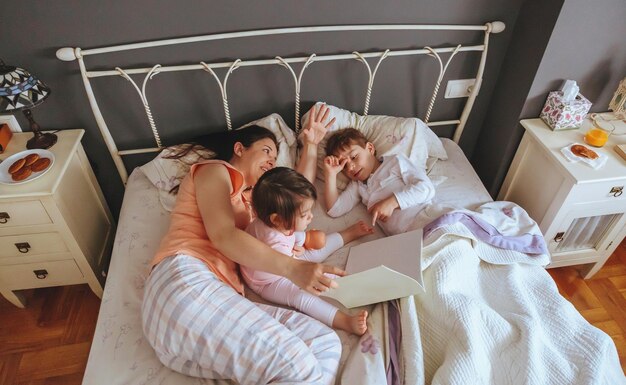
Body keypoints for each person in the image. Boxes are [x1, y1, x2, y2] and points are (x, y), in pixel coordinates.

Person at [141, 105, 344, 384]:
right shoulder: (215, 172)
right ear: (239, 148)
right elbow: (223, 235)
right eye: (266, 151)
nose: (272, 160)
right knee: (297, 366)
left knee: (324, 343)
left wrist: (310, 145)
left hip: (214, 302)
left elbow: (296, 201)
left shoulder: (255, 206)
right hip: (186, 281)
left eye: (275, 156)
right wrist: (292, 268)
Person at [241, 167, 373, 335]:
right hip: (268, 280)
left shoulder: (275, 223)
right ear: (277, 219)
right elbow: (295, 267)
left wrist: (304, 241)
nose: (311, 217)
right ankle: (345, 321)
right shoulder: (275, 243)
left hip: (285, 257)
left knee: (317, 249)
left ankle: (347, 234)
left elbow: (291, 236)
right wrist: (302, 249)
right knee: (301, 295)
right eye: (304, 215)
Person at [323, 127, 436, 235]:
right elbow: (335, 210)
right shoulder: (357, 186)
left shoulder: (394, 162)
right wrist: (331, 174)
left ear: (370, 149)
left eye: (354, 157)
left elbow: (426, 188)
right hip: (406, 239)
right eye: (344, 166)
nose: (350, 168)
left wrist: (392, 202)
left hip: (428, 220)